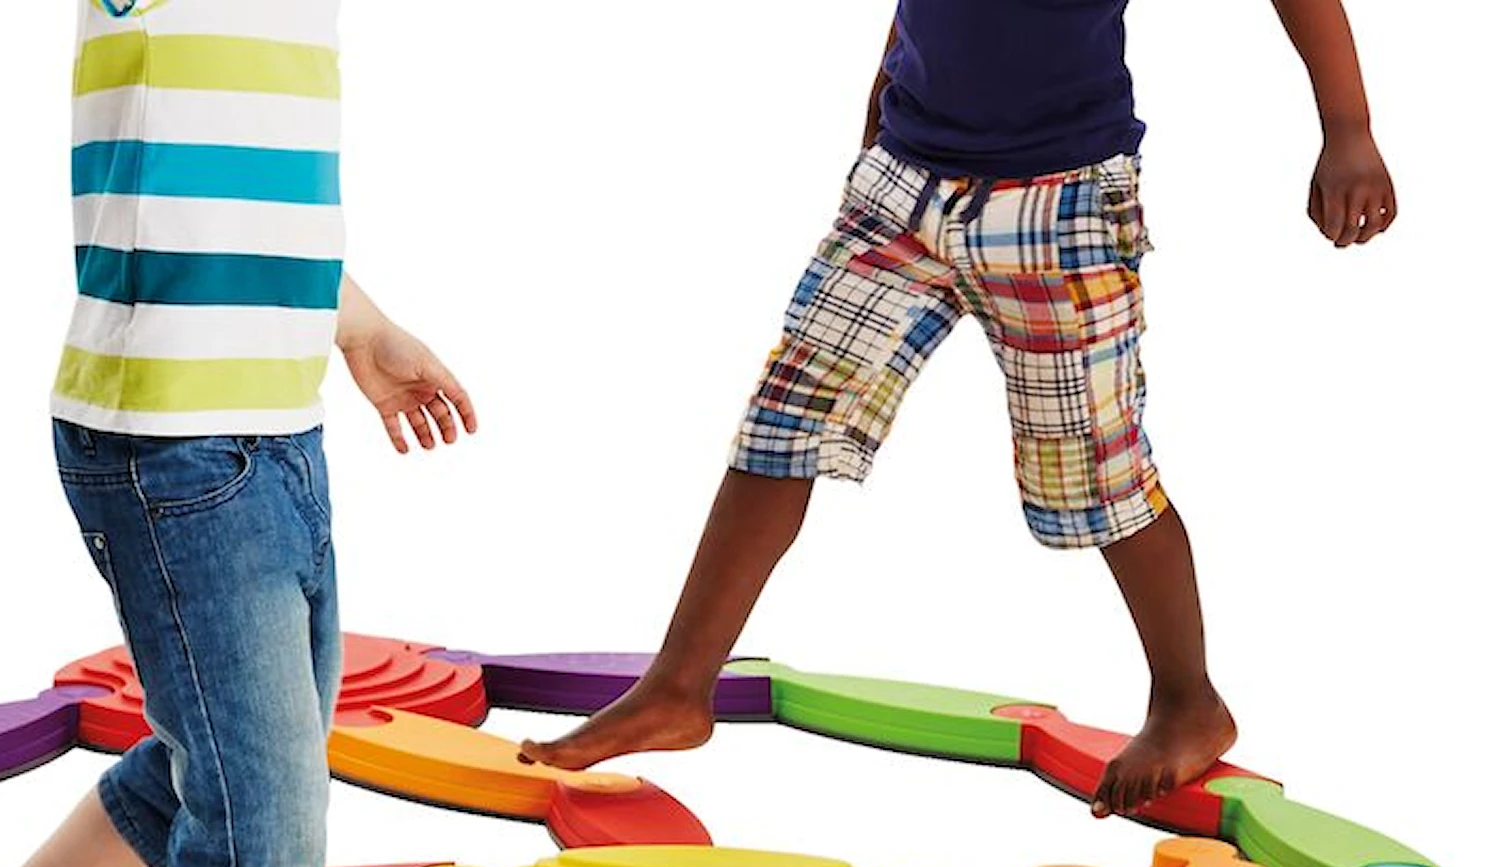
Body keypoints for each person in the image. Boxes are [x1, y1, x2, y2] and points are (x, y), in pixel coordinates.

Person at [521, 0, 1395, 821]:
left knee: (1097, 480)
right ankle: (678, 688)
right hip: (902, 184)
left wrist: (1348, 130)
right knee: (782, 426)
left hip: (1059, 205)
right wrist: (879, 110)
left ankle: (1187, 700)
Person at [0, 0, 475, 867]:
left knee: (233, 761)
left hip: (277, 426)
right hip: (171, 442)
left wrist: (356, 320)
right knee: (263, 805)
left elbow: (237, 190)